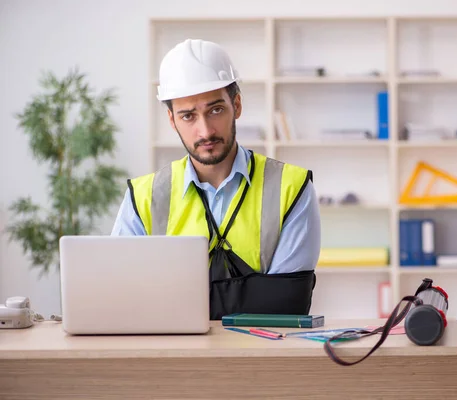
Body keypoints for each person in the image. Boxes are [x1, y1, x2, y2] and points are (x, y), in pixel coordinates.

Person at [111, 39, 321, 319]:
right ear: (172, 120)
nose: (205, 131)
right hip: (169, 358)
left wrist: (171, 300)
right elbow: (123, 299)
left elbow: (284, 306)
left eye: (216, 110)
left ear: (237, 104)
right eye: (188, 116)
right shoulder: (142, 197)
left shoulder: (292, 188)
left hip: (262, 358)